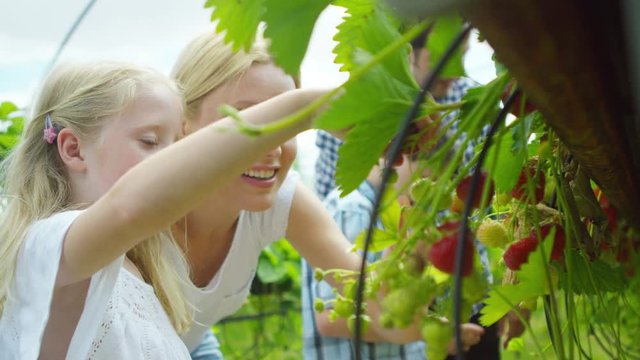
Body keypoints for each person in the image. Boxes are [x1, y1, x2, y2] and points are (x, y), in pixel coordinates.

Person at [170, 31, 480, 359]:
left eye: (287, 124)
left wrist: (418, 223)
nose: (273, 146)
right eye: (248, 119)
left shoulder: (281, 201)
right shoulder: (138, 203)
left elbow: (384, 312)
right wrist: (314, 109)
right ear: (182, 121)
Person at [0, 61, 325, 359]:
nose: (173, 160)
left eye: (175, 144)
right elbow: (129, 208)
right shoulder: (45, 246)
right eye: (150, 141)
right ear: (74, 149)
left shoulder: (133, 268)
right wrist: (307, 107)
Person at [302, 156, 486, 359]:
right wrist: (430, 332)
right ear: (400, 156)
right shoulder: (352, 209)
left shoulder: (400, 212)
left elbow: (397, 297)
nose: (426, 190)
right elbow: (330, 319)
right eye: (425, 178)